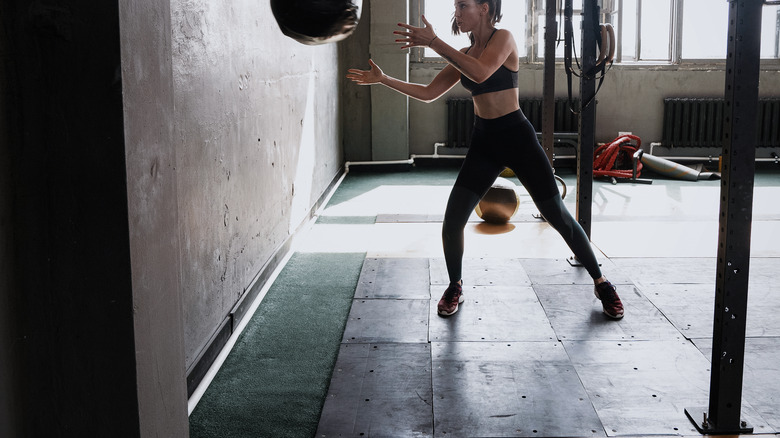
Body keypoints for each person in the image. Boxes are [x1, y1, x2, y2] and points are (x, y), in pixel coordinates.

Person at [346, 0, 624, 320]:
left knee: (558, 215)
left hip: (518, 138)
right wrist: (384, 80)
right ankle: (455, 285)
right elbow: (428, 92)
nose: (457, 13)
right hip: (485, 142)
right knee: (453, 221)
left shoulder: (503, 38)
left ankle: (602, 283)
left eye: (463, 5)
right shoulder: (464, 54)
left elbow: (481, 72)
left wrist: (434, 42)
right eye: (456, 7)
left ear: (484, 8)